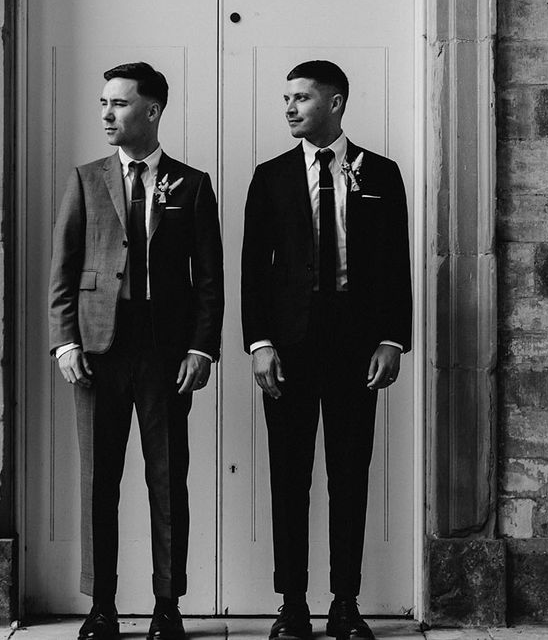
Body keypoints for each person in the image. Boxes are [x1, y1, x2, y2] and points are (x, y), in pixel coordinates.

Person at [49, 61, 224, 640]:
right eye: (103, 102)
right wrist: (65, 341)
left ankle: (166, 605)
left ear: (152, 111)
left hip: (166, 353)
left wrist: (202, 350)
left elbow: (210, 280)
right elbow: (64, 270)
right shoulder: (85, 179)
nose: (106, 113)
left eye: (119, 104)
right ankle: (101, 606)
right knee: (99, 480)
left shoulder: (192, 184)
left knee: (168, 479)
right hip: (98, 352)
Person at [240, 60, 412, 640]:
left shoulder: (381, 174)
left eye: (302, 98)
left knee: (349, 475)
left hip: (356, 349)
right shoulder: (270, 177)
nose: (289, 107)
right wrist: (259, 344)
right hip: (287, 351)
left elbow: (396, 267)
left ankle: (345, 603)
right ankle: (292, 604)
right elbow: (252, 273)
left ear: (336, 103)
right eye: (285, 98)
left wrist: (392, 339)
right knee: (289, 478)